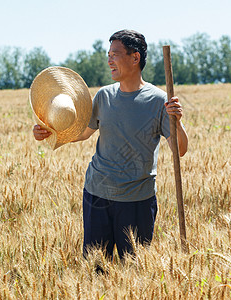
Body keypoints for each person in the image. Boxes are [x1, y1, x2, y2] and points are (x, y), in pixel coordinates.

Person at [33, 29, 188, 260]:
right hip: (97, 196)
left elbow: (180, 150)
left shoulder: (158, 101)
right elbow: (82, 133)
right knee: (96, 270)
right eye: (108, 54)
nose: (109, 60)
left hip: (137, 201)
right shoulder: (103, 96)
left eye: (115, 54)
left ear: (135, 58)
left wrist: (177, 122)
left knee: (136, 273)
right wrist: (50, 132)